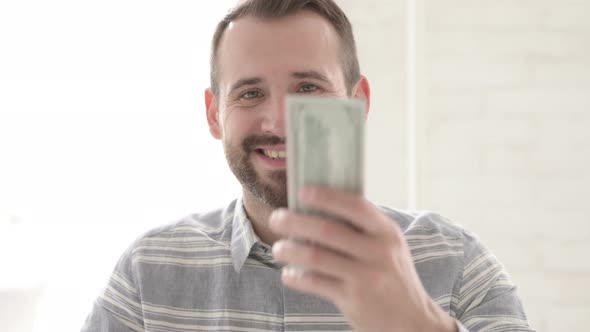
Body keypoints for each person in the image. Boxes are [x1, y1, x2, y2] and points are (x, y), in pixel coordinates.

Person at [82, 1, 533, 331]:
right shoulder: (149, 271)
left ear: (358, 103)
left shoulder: (456, 262)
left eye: (309, 88)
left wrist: (418, 325)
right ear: (214, 114)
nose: (280, 122)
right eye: (250, 93)